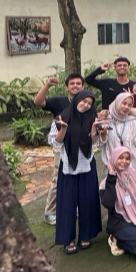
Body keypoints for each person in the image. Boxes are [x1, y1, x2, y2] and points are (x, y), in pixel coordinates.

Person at [48, 89, 102, 254]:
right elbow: (55, 143)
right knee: (67, 202)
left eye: (89, 103)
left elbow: (95, 143)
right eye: (84, 101)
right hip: (68, 165)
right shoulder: (62, 118)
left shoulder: (92, 118)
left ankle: (86, 234)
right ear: (77, 100)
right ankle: (68, 239)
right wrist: (63, 129)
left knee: (88, 200)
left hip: (87, 163)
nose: (86, 105)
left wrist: (94, 129)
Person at [34, 72, 84, 226]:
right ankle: (50, 212)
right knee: (59, 176)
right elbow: (38, 102)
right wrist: (47, 85)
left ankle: (72, 206)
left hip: (79, 145)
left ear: (83, 86)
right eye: (72, 83)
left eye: (78, 83)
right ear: (67, 86)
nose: (75, 86)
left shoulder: (86, 101)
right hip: (61, 144)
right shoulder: (59, 101)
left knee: (76, 176)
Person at [99, 92, 136, 172]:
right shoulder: (105, 120)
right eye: (124, 103)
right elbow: (100, 144)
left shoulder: (132, 121)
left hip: (130, 163)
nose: (126, 107)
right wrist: (103, 136)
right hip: (112, 164)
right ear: (117, 102)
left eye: (129, 105)